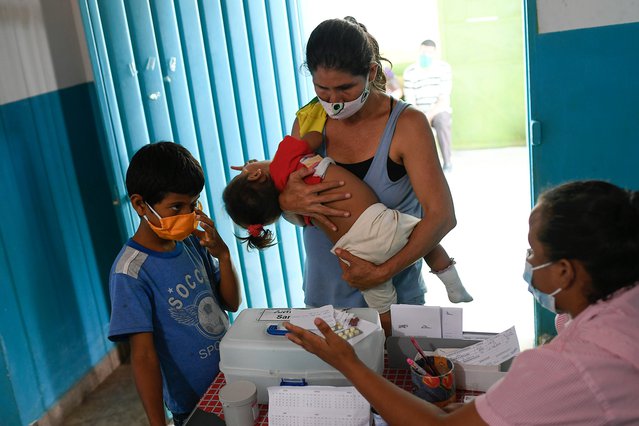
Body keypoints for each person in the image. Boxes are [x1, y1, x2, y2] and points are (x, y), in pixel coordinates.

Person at [285, 180, 639, 425]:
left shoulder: (570, 366)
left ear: (564, 271)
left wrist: (348, 363)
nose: (528, 260)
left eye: (534, 251)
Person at [278, 17, 458, 313]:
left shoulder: (406, 125)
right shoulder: (308, 121)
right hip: (325, 300)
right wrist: (287, 201)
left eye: (346, 88)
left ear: (371, 71)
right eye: (322, 89)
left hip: (398, 303)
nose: (334, 101)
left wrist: (381, 272)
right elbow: (294, 211)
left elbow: (442, 217)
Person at [223, 132, 472, 332]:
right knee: (426, 241)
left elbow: (296, 214)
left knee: (382, 306)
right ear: (256, 174)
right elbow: (313, 137)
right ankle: (454, 285)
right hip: (381, 224)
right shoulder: (285, 160)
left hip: (353, 255)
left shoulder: (292, 210)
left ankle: (385, 334)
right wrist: (263, 164)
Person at [108, 142, 241, 426]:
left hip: (231, 378)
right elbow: (143, 356)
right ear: (140, 205)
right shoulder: (131, 272)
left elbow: (231, 303)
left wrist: (224, 256)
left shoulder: (192, 241)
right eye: (176, 206)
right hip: (192, 404)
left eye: (193, 204)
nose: (187, 214)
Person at [403, 39, 453, 172]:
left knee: (442, 120)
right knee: (410, 124)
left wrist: (428, 116)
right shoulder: (410, 71)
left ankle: (447, 162)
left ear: (435, 53)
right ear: (419, 51)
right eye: (423, 51)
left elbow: (443, 99)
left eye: (429, 52)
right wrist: (420, 115)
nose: (425, 54)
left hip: (438, 111)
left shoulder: (444, 68)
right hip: (418, 111)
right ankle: (419, 166)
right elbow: (410, 100)